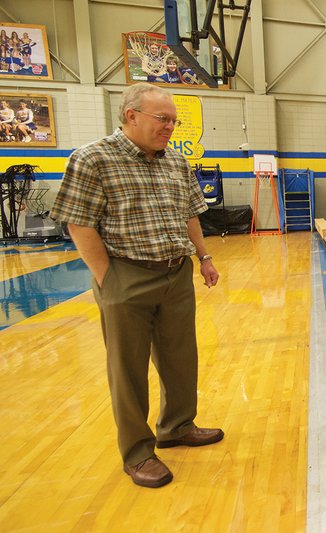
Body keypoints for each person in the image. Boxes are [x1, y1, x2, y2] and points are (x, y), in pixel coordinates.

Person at [50, 83, 223, 489]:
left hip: (175, 271)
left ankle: (177, 426)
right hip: (125, 274)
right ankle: (137, 452)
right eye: (163, 119)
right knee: (127, 369)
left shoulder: (176, 162)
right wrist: (106, 277)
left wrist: (204, 257)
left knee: (181, 357)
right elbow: (79, 221)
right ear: (131, 116)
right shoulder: (93, 158)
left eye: (173, 121)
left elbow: (190, 213)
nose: (170, 128)